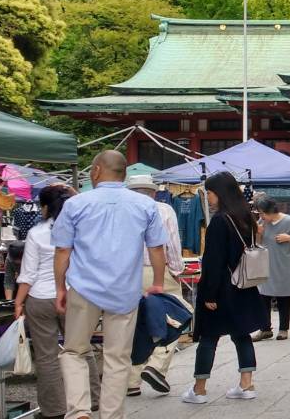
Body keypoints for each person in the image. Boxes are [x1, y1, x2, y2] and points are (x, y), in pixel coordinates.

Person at [52, 150, 167, 419]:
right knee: (118, 358)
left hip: (83, 287)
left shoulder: (76, 204)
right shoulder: (145, 205)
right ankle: (111, 415)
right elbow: (157, 248)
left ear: (95, 171)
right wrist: (158, 283)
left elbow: (62, 251)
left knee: (74, 351)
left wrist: (59, 288)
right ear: (124, 174)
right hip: (125, 290)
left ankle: (79, 411)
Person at [14, 185, 100, 419]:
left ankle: (54, 409)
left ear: (44, 208)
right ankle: (91, 399)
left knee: (46, 356)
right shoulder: (81, 228)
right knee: (81, 349)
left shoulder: (37, 233)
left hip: (40, 299)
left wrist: (19, 302)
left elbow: (28, 274)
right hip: (74, 294)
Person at [182, 172, 264, 404]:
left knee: (209, 337)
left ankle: (199, 389)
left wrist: (208, 292)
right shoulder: (245, 218)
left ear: (219, 193)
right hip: (244, 284)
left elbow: (213, 261)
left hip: (222, 288)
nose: (207, 197)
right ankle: (246, 384)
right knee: (242, 334)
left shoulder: (220, 220)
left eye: (209, 192)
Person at [125, 175, 185, 398]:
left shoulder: (120, 211)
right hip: (156, 270)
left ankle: (131, 380)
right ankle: (156, 365)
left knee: (135, 324)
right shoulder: (163, 210)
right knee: (176, 316)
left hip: (126, 274)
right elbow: (170, 243)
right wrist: (176, 270)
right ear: (153, 191)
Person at [253, 196, 290, 340]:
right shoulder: (262, 223)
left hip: (284, 265)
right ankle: (265, 328)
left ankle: (283, 329)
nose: (261, 217)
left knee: (283, 297)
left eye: (263, 213)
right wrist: (258, 232)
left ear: (271, 211)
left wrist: (289, 238)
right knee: (264, 297)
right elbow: (258, 243)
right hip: (267, 265)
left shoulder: (289, 221)